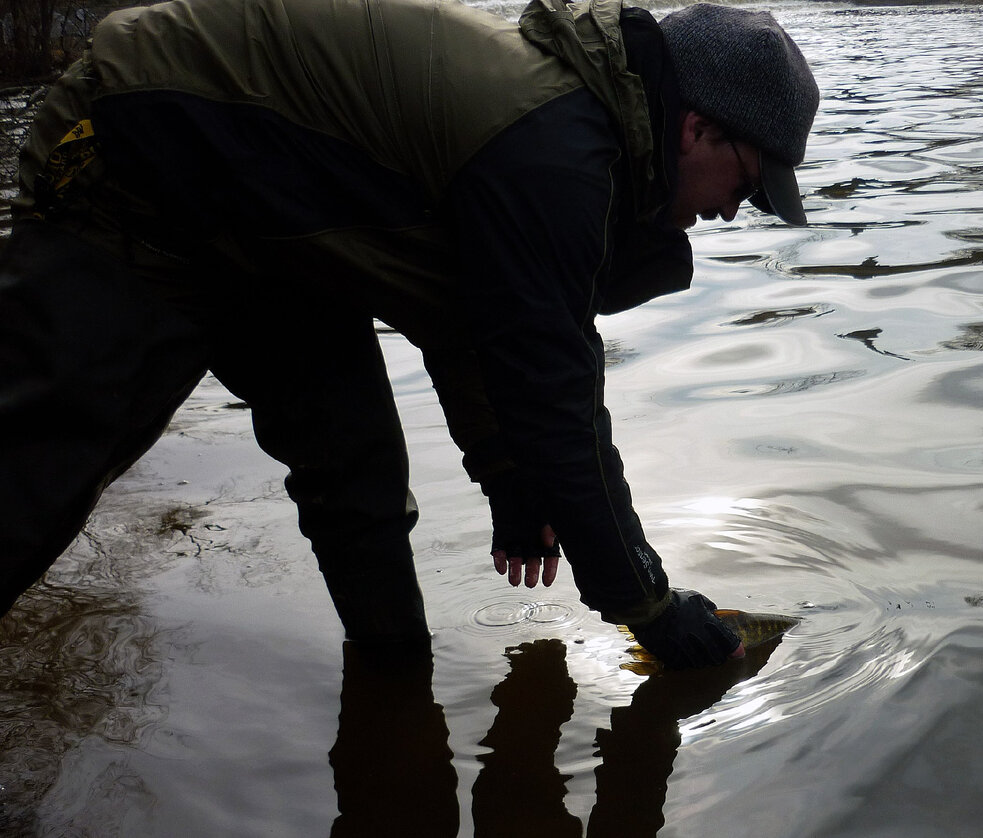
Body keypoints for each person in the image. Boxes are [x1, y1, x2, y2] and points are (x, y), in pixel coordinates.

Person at [0, 0, 819, 669]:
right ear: (697, 129)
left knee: (357, 475)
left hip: (273, 225)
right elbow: (556, 399)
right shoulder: (554, 155)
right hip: (133, 156)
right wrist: (649, 604)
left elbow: (466, 317)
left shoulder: (575, 142)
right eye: (747, 185)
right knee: (38, 473)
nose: (731, 211)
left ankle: (394, 715)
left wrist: (507, 480)